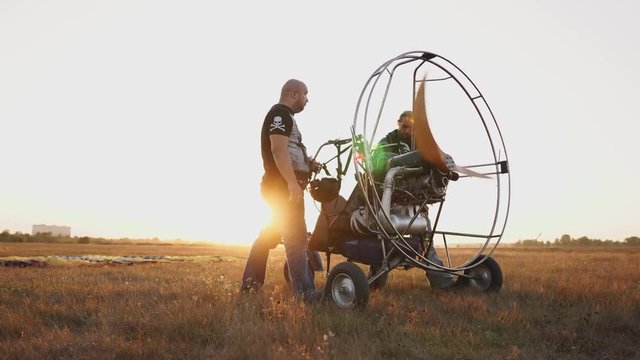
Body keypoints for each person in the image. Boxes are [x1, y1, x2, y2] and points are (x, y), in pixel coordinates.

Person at [240, 79, 323, 303]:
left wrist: (309, 163)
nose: (308, 99)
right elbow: (278, 150)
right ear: (293, 94)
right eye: (306, 94)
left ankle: (250, 286)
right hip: (282, 188)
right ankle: (306, 294)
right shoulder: (280, 114)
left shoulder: (287, 117)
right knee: (295, 238)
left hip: (280, 187)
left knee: (268, 237)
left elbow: (288, 150)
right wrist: (292, 183)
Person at [368, 110, 456, 289]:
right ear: (398, 123)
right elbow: (377, 160)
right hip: (392, 200)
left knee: (426, 240)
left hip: (416, 202)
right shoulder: (388, 141)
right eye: (405, 127)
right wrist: (397, 161)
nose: (408, 132)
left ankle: (443, 283)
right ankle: (375, 281)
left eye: (412, 129)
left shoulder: (421, 144)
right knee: (386, 242)